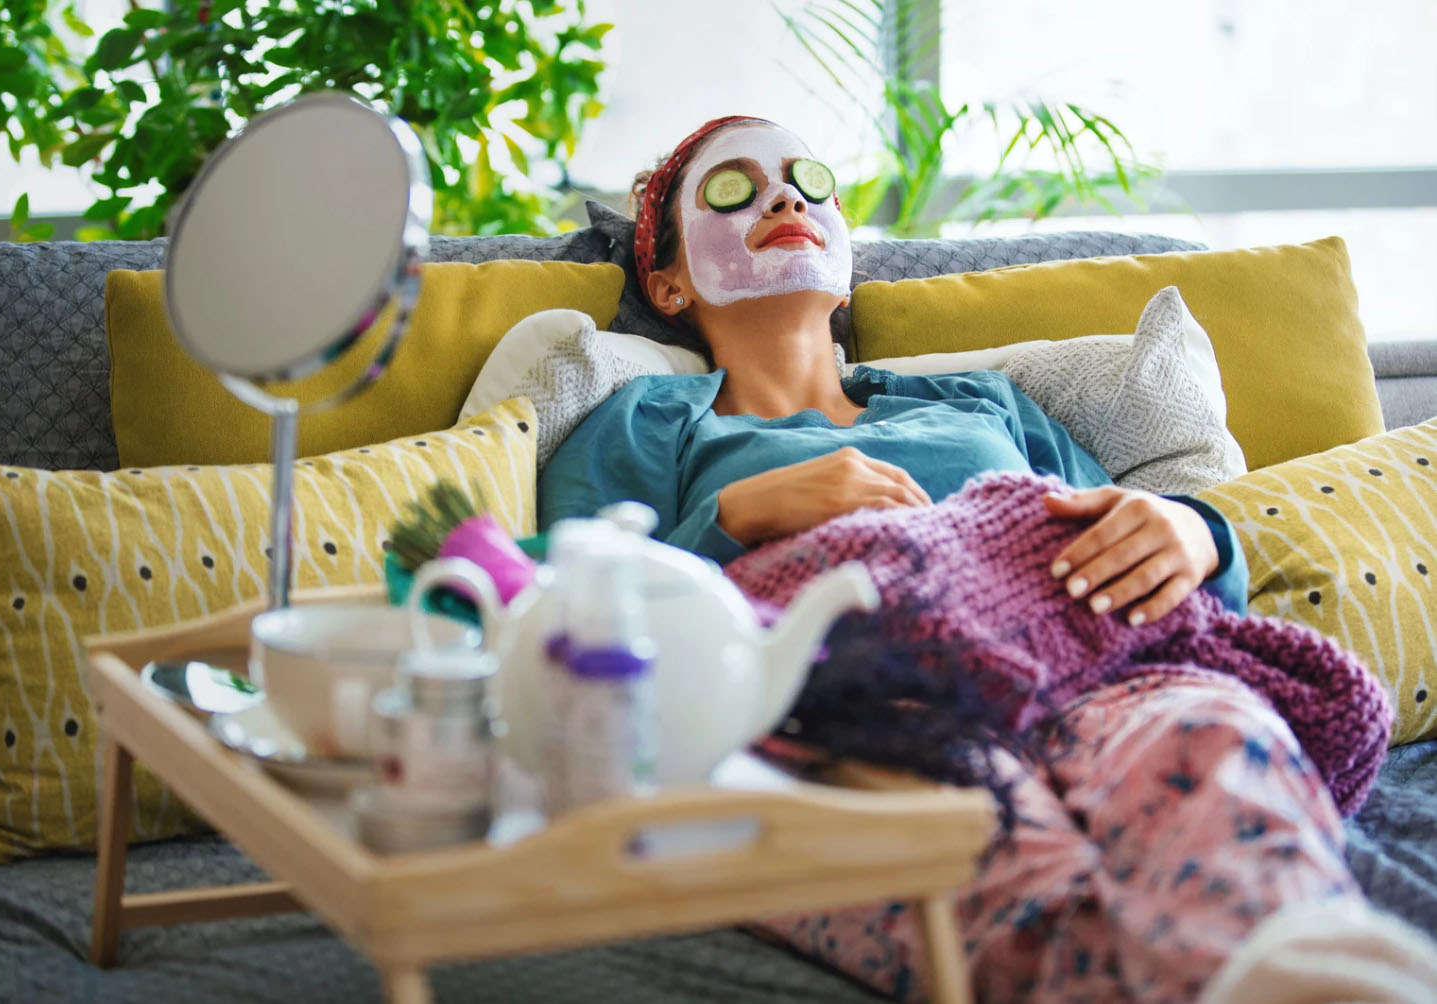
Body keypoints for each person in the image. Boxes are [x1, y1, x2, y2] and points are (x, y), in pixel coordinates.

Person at [537, 116, 1393, 1002]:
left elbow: (1120, 552)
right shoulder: (653, 419)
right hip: (851, 706)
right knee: (991, 854)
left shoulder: (983, 404)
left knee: (1215, 744)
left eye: (807, 180)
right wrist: (733, 515)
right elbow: (568, 608)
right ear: (669, 284)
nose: (785, 196)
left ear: (844, 264)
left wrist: (1191, 532)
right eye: (731, 189)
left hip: (1089, 677)